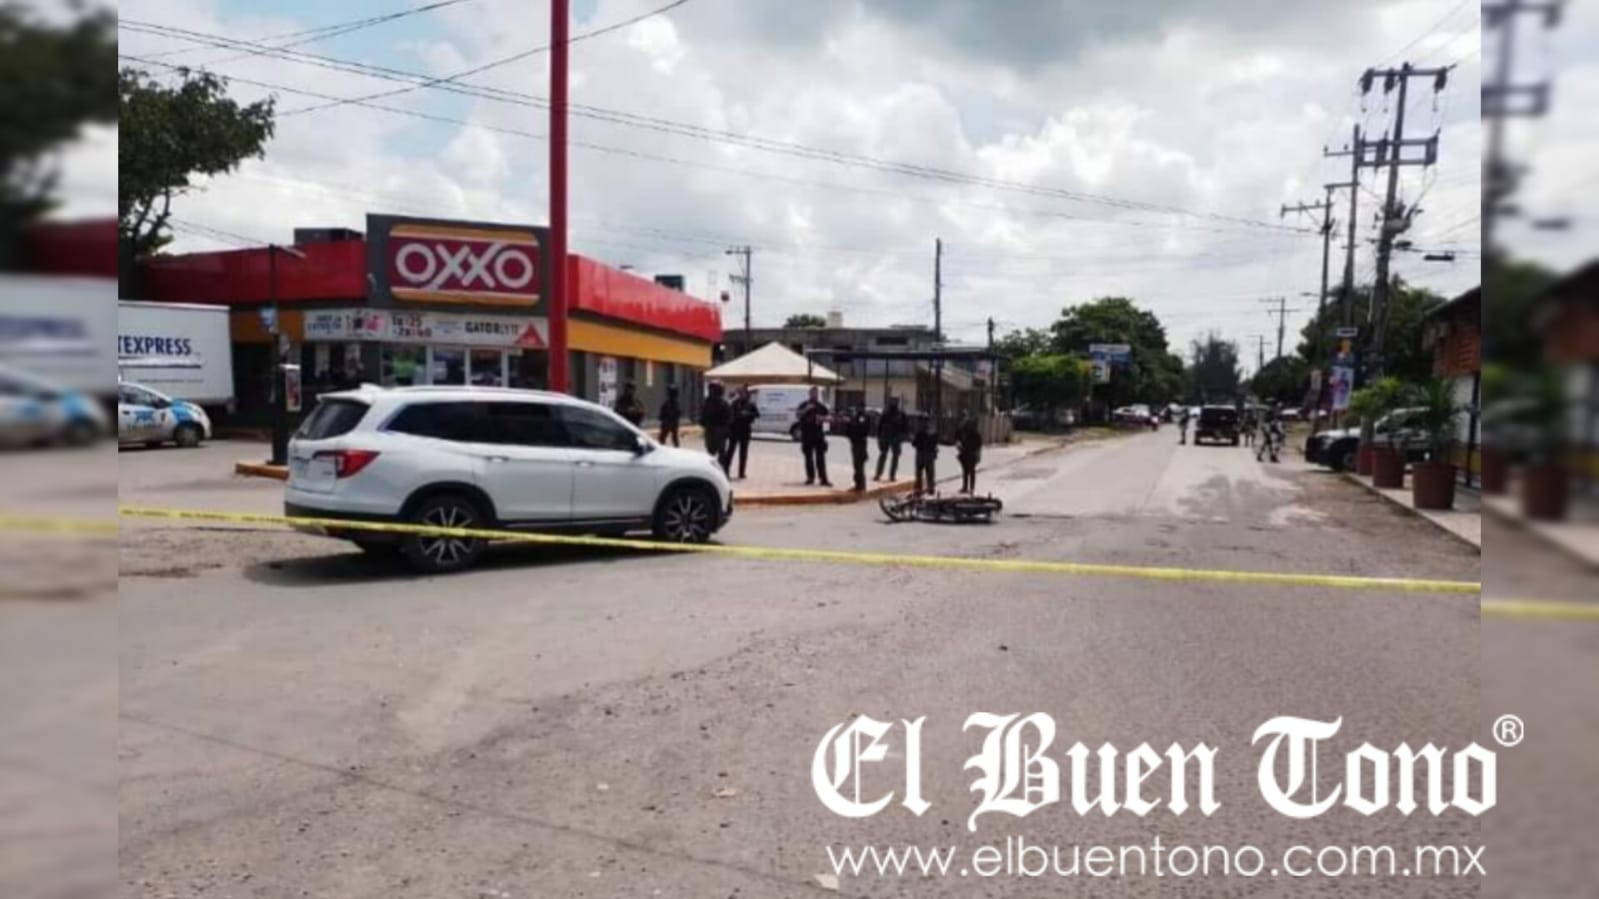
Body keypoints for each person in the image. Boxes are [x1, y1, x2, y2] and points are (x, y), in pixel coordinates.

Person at [795, 386, 832, 487]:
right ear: (809, 394)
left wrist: (823, 418)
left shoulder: (820, 406)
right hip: (807, 435)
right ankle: (810, 477)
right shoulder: (804, 404)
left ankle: (823, 479)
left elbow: (830, 417)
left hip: (818, 435)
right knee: (808, 458)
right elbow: (798, 415)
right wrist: (806, 410)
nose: (814, 395)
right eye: (812, 393)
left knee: (821, 458)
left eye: (816, 393)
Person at [726, 386, 759, 479]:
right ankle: (726, 470)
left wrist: (748, 414)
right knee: (730, 451)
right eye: (740, 394)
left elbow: (757, 414)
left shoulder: (751, 404)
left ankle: (741, 472)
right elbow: (730, 414)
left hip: (745, 430)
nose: (741, 395)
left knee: (743, 453)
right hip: (734, 430)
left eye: (743, 394)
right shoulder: (734, 404)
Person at [874, 396, 908, 481]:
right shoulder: (885, 413)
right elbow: (879, 426)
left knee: (895, 457)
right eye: (892, 401)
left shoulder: (901, 414)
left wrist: (903, 437)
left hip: (896, 438)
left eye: (895, 401)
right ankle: (878, 474)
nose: (894, 403)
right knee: (883, 455)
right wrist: (879, 437)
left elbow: (905, 427)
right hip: (885, 437)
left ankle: (892, 475)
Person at [700, 382, 732, 473]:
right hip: (711, 429)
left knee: (719, 452)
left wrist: (725, 429)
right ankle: (712, 470)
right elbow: (704, 414)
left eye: (712, 390)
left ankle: (722, 471)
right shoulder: (709, 402)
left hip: (719, 429)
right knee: (711, 451)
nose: (711, 391)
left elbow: (728, 417)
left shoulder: (722, 403)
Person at [911, 414, 939, 495]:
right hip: (929, 454)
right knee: (930, 473)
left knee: (919, 474)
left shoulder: (919, 432)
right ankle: (931, 489)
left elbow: (914, 443)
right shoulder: (933, 431)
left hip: (920, 454)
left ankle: (918, 490)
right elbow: (935, 442)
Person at [846, 406, 872, 492]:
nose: (857, 410)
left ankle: (860, 485)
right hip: (855, 442)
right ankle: (859, 484)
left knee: (859, 464)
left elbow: (862, 429)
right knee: (857, 464)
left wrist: (852, 423)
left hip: (860, 443)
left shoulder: (863, 417)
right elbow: (850, 428)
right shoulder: (855, 417)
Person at [955, 414, 983, 494]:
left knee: (971, 471)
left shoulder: (974, 432)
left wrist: (978, 454)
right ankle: (965, 487)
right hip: (964, 452)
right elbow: (957, 439)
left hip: (972, 453)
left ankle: (971, 488)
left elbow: (979, 444)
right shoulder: (962, 430)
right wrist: (958, 444)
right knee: (965, 471)